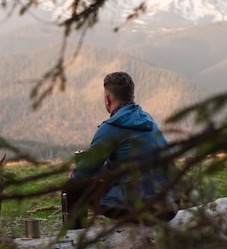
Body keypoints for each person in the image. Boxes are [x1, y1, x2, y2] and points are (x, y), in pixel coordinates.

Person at [62, 71, 177, 229]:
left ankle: (74, 243)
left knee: (72, 188)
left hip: (144, 208)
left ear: (107, 99)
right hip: (170, 205)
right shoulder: (148, 120)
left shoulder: (111, 127)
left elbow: (83, 174)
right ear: (132, 98)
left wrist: (75, 173)